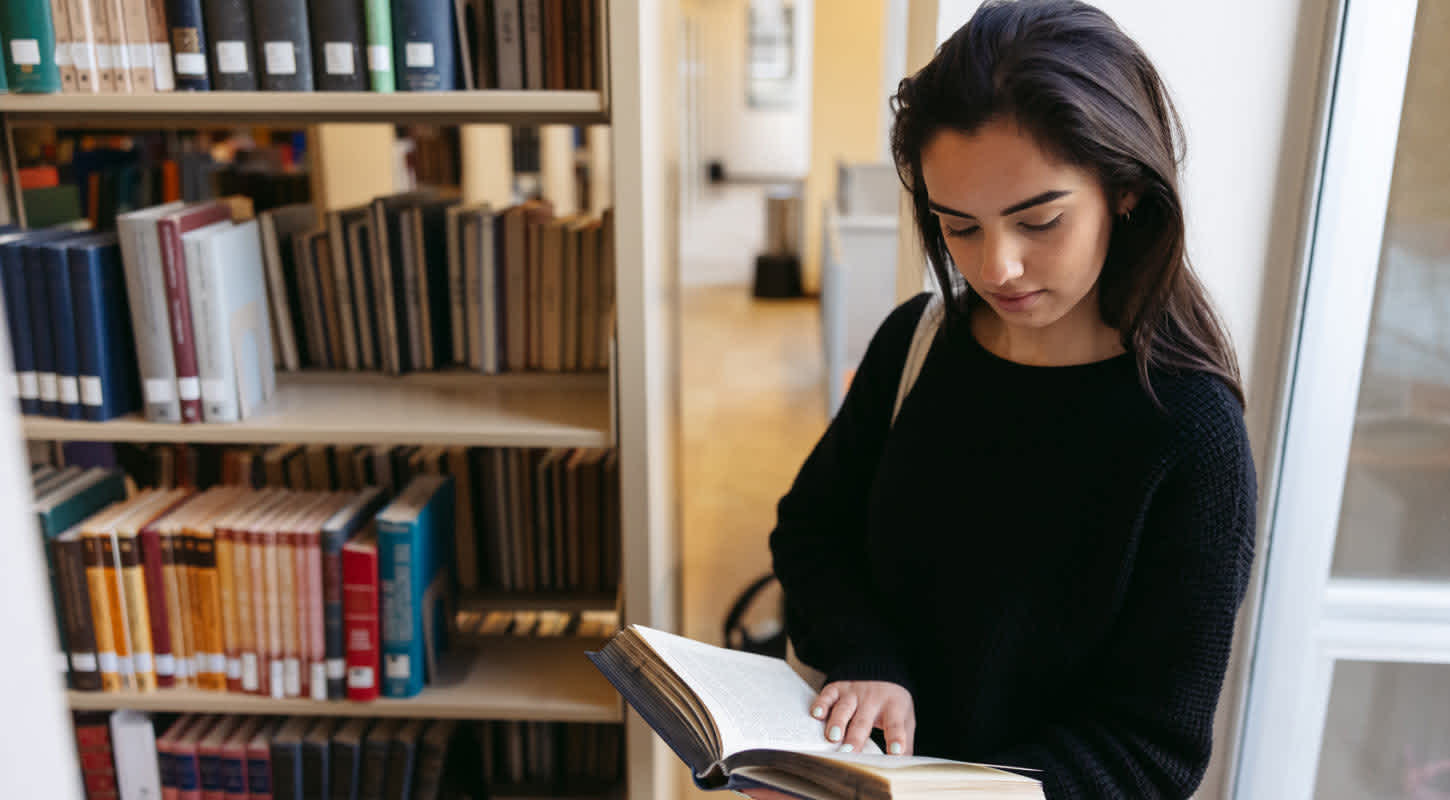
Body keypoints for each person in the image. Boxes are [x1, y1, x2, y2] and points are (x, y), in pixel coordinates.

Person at [757, 1, 1259, 798]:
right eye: (959, 227)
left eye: (1040, 221)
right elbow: (813, 531)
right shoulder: (917, 344)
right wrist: (869, 666)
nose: (999, 269)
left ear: (1125, 188)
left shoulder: (1190, 439)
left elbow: (1150, 751)